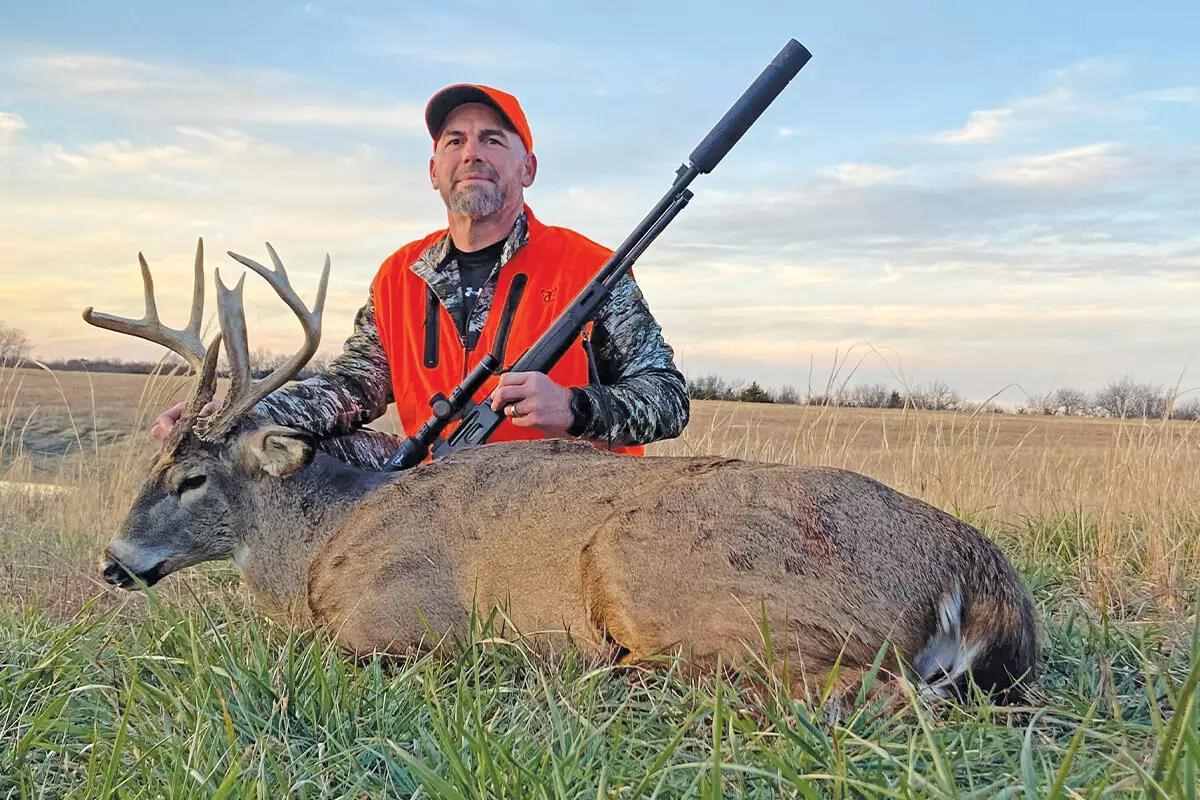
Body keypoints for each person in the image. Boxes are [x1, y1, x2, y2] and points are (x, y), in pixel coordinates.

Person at [153, 84, 689, 469]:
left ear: (528, 168)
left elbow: (668, 399)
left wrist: (575, 408)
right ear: (434, 169)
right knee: (275, 453)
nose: (472, 153)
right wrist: (227, 416)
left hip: (565, 491)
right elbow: (350, 389)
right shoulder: (399, 276)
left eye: (493, 140)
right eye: (454, 141)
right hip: (436, 480)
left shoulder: (589, 268)